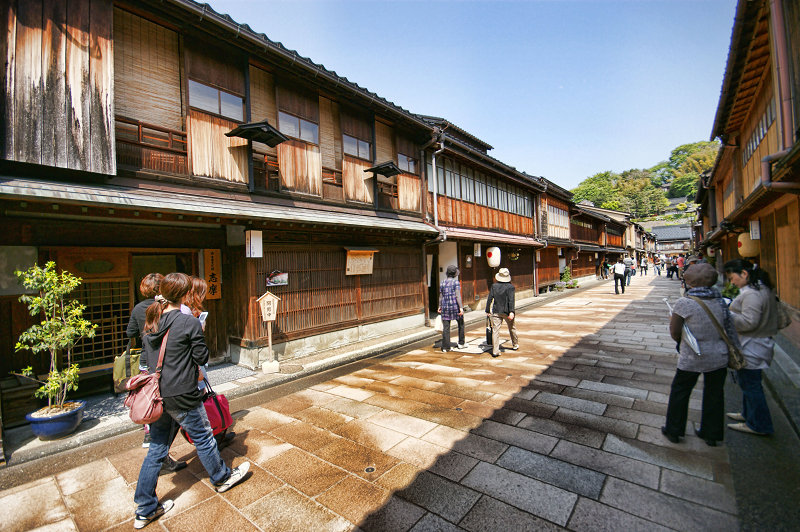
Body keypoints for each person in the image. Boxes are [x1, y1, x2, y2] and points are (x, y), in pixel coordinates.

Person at [133, 273, 249, 529]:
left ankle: (144, 508)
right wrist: (200, 331)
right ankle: (221, 477)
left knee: (157, 449)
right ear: (185, 294)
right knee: (204, 437)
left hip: (159, 395)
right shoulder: (188, 322)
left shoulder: (153, 320)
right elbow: (201, 357)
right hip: (183, 393)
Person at [662, 263, 738, 446]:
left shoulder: (685, 303)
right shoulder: (721, 301)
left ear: (690, 281)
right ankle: (711, 434)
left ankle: (674, 430)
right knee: (714, 394)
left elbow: (675, 331)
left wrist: (681, 342)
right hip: (718, 355)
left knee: (681, 391)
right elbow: (729, 329)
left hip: (692, 356)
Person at [126, 273, 185, 473]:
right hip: (166, 360)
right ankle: (158, 439)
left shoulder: (138, 309)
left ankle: (149, 428)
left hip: (146, 360)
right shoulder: (165, 308)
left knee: (149, 395)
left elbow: (130, 333)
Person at [724, 259, 779, 436]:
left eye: (732, 278)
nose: (732, 282)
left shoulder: (752, 294)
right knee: (749, 384)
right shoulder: (761, 288)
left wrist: (727, 312)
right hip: (757, 343)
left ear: (744, 274)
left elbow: (749, 322)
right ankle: (748, 415)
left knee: (751, 385)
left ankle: (758, 424)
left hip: (752, 345)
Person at [485, 267, 517, 358]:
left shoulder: (494, 286)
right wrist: (512, 311)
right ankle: (515, 344)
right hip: (507, 311)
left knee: (495, 331)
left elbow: (490, 298)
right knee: (512, 328)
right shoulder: (510, 287)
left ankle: (495, 351)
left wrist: (487, 310)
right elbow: (511, 300)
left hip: (496, 311)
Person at [438, 265, 465, 352]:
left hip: (445, 307)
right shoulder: (456, 282)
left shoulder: (442, 282)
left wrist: (439, 306)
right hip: (455, 307)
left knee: (446, 327)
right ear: (454, 274)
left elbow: (441, 296)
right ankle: (461, 343)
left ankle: (445, 347)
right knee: (461, 324)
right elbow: (458, 296)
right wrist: (461, 307)